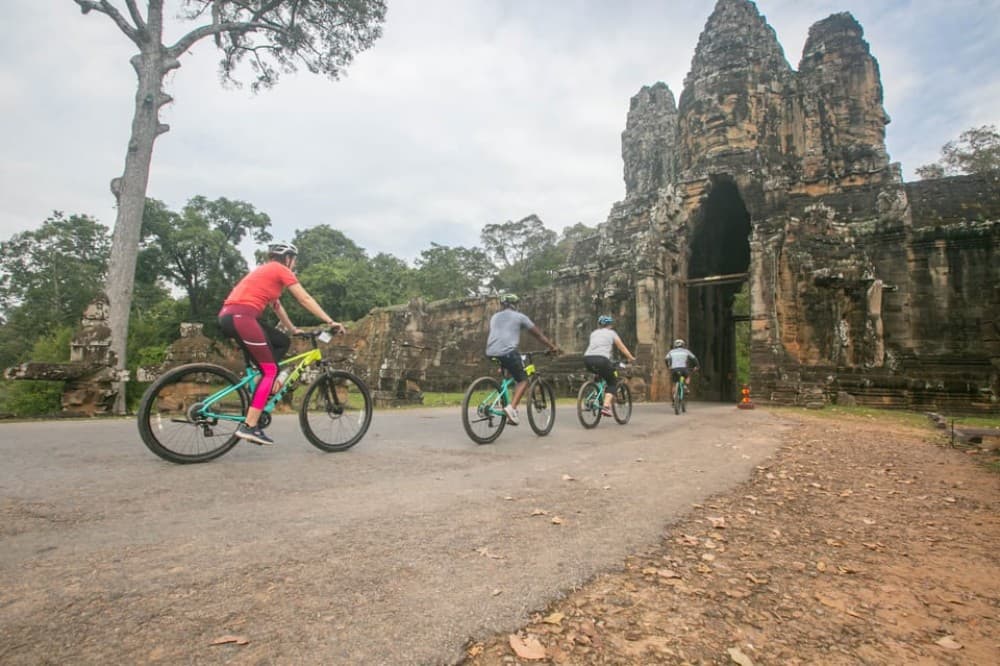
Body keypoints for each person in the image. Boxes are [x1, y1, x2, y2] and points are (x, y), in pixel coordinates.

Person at [218, 242, 344, 445]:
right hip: (243, 317)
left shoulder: (265, 273)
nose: (293, 265)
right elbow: (304, 298)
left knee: (281, 341)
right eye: (293, 260)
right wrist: (330, 321)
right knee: (270, 371)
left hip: (231, 316)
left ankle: (262, 386)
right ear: (288, 258)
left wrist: (293, 329)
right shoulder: (280, 269)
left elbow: (277, 307)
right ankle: (249, 426)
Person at [485, 293, 560, 425]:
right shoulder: (520, 317)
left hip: (491, 352)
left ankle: (501, 401)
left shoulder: (495, 317)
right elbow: (539, 335)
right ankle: (511, 408)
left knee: (511, 370)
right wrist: (552, 347)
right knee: (523, 380)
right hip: (507, 352)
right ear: (515, 304)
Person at [583, 315, 636, 417]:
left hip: (587, 359)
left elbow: (597, 348)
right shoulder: (611, 333)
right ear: (610, 325)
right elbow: (622, 347)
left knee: (600, 374)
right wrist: (631, 358)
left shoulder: (594, 333)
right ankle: (606, 407)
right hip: (602, 360)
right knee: (612, 381)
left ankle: (593, 395)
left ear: (599, 325)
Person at [665, 338, 700, 402]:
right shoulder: (686, 351)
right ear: (683, 345)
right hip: (683, 369)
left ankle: (673, 397)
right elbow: (694, 358)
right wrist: (697, 366)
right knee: (687, 377)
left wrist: (668, 366)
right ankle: (685, 387)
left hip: (674, 369)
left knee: (674, 383)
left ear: (675, 345)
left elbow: (666, 359)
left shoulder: (671, 351)